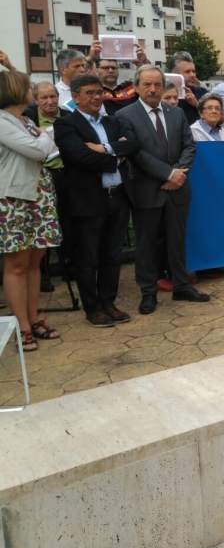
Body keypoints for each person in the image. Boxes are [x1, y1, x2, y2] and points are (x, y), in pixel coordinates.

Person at [117, 65, 210, 314]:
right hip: (147, 189)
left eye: (157, 84)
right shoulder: (125, 116)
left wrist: (178, 173)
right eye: (147, 84)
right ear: (136, 87)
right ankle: (148, 292)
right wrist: (167, 174)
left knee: (177, 240)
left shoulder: (176, 113)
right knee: (147, 244)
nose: (152, 89)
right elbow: (136, 153)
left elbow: (189, 147)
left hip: (178, 188)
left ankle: (181, 286)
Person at [54, 74, 137, 327]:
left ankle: (108, 302)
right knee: (88, 257)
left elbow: (133, 144)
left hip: (117, 197)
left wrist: (103, 148)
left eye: (99, 92)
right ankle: (93, 308)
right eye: (89, 93)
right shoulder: (66, 125)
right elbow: (79, 157)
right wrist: (115, 154)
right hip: (88, 200)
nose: (96, 97)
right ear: (76, 97)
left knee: (112, 255)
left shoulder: (113, 121)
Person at [0, 70, 61, 351]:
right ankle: (21, 325)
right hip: (14, 199)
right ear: (15, 90)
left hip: (38, 194)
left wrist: (43, 140)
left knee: (36, 261)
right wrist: (47, 134)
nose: (32, 90)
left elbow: (46, 151)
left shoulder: (23, 120)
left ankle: (34, 318)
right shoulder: (3, 122)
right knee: (17, 264)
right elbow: (40, 151)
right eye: (28, 87)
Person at [24, 82, 70, 291]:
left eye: (53, 96)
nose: (50, 101)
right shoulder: (28, 118)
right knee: (45, 223)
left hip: (68, 174)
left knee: (69, 221)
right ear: (36, 100)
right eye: (44, 98)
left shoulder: (68, 115)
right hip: (42, 176)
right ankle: (43, 274)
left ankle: (70, 267)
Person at [167, 52, 208, 125]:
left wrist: (197, 104)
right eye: (187, 72)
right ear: (174, 73)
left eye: (193, 71)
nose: (192, 75)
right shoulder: (160, 94)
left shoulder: (203, 94)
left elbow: (217, 120)